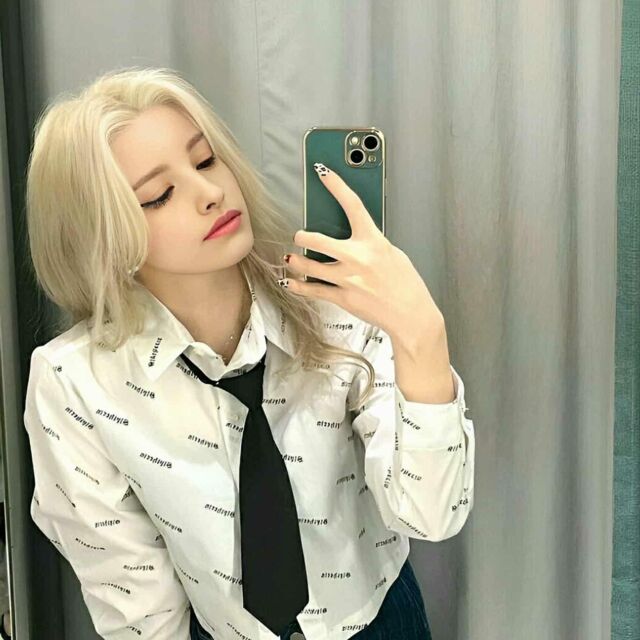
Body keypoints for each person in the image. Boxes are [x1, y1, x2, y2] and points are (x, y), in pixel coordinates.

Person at [22, 66, 475, 639]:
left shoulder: (337, 307)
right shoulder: (74, 383)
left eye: (206, 160)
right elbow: (138, 607)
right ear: (101, 236)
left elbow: (431, 515)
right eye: (159, 195)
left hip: (379, 621)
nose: (210, 193)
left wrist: (421, 334)